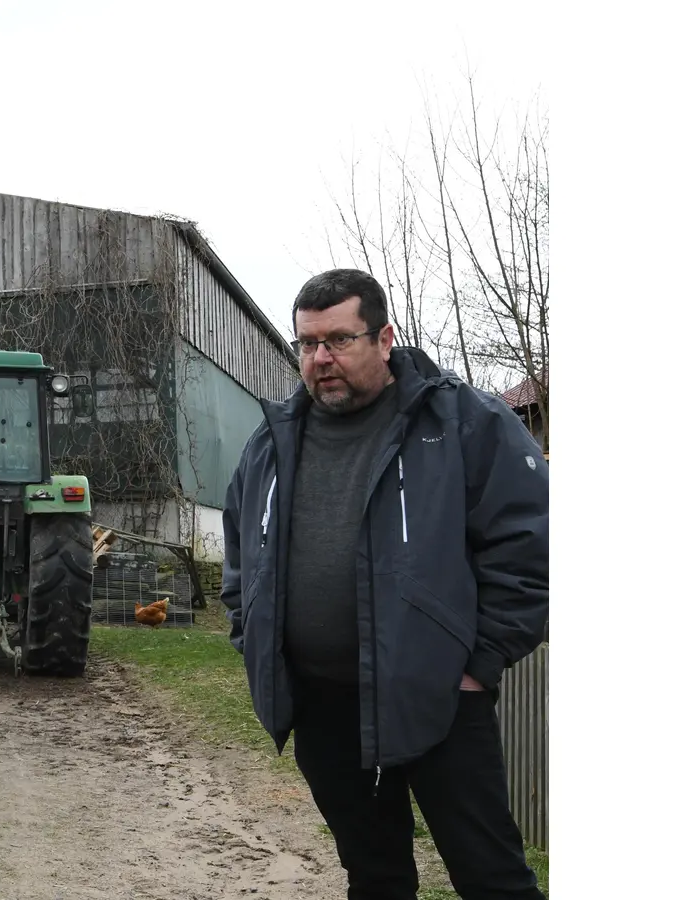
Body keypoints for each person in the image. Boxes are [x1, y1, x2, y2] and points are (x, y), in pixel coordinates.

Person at [220, 268, 548, 900]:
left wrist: (479, 662)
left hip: (438, 698)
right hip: (324, 705)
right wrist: (251, 629)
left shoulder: (461, 421)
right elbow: (243, 550)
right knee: (374, 875)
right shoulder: (272, 440)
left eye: (339, 340)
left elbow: (525, 545)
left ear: (384, 338)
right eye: (308, 344)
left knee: (492, 877)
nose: (321, 359)